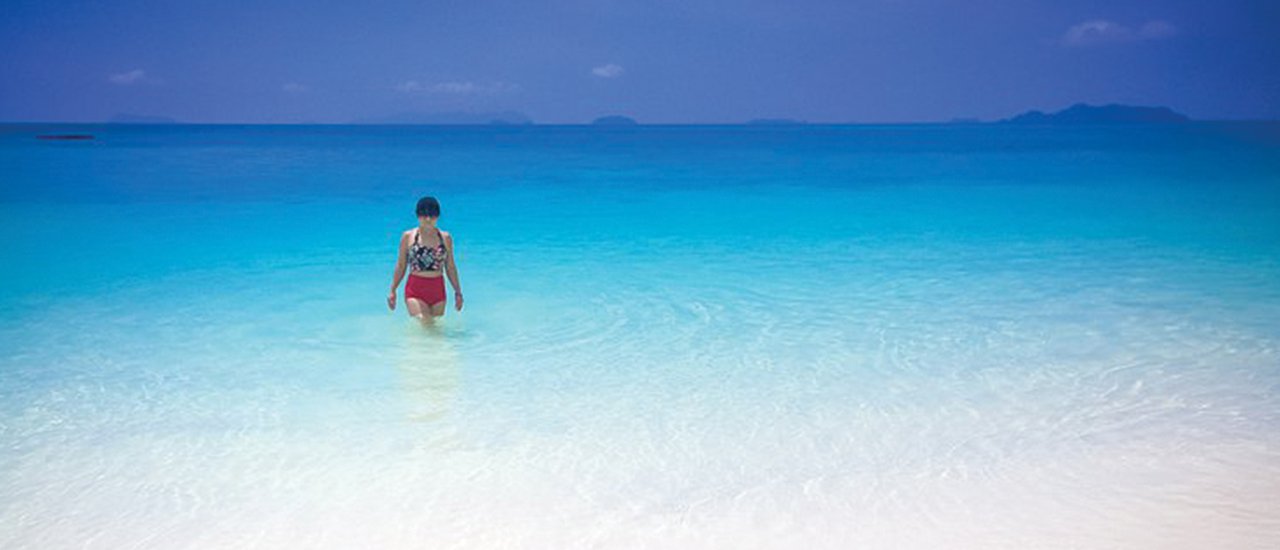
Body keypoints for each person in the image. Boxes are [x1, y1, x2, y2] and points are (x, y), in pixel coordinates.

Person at [388, 196, 463, 319]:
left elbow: (450, 267)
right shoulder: (408, 236)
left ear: (438, 216)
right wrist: (393, 290)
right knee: (423, 321)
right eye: (424, 215)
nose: (428, 219)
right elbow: (401, 265)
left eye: (432, 216)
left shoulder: (445, 238)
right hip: (415, 289)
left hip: (438, 289)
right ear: (417, 215)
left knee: (436, 328)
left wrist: (458, 292)